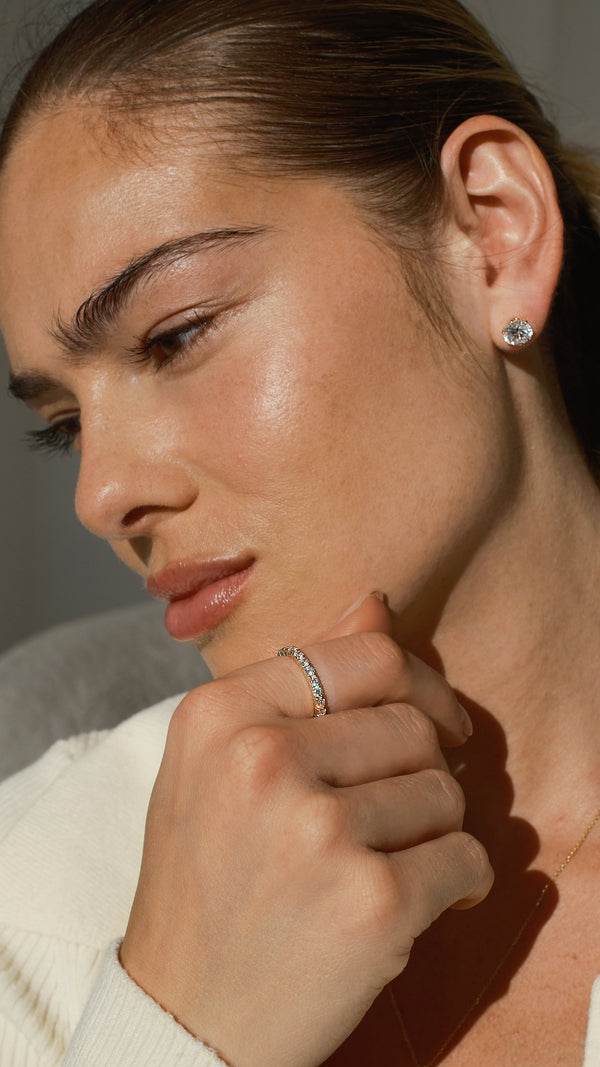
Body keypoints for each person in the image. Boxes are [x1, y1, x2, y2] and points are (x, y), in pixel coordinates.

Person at [0, 0, 599, 1063]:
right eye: (63, 425)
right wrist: (174, 1024)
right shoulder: (29, 901)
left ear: (493, 231)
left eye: (177, 332)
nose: (101, 493)